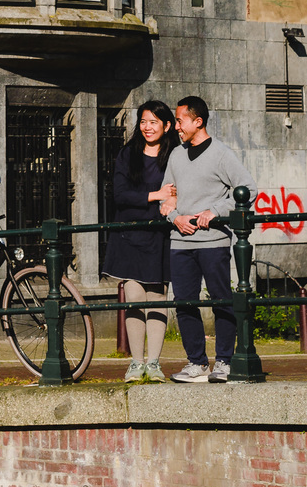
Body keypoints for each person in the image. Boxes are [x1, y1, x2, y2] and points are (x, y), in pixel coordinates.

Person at [161, 96, 256, 383]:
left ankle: (224, 362)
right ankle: (196, 364)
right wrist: (174, 216)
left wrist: (214, 211)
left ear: (197, 121)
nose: (176, 126)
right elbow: (166, 195)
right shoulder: (176, 155)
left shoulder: (221, 154)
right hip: (180, 242)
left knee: (221, 300)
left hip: (213, 241)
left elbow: (248, 189)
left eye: (180, 120)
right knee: (184, 302)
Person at [101, 100, 178, 382]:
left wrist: (172, 199)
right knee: (133, 296)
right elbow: (120, 195)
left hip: (159, 234)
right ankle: (136, 362)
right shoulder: (127, 154)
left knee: (157, 297)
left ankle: (155, 363)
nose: (147, 127)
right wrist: (155, 195)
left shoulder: (176, 156)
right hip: (128, 234)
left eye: (154, 122)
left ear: (167, 125)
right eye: (144, 121)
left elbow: (180, 192)